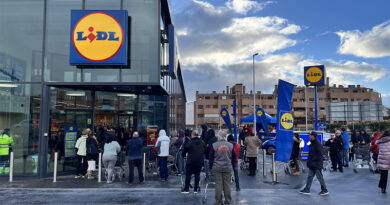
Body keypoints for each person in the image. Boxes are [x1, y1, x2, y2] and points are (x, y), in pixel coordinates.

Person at [209, 130, 237, 205]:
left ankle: (218, 201)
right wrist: (233, 165)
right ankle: (228, 201)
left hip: (217, 167)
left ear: (219, 136)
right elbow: (234, 157)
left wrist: (211, 166)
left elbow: (211, 157)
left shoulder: (214, 145)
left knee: (218, 185)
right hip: (227, 168)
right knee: (227, 185)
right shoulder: (230, 145)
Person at [300, 131, 329, 196]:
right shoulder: (312, 143)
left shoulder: (317, 144)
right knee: (309, 177)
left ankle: (324, 190)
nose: (309, 136)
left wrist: (313, 160)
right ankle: (307, 189)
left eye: (310, 135)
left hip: (316, 164)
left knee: (320, 178)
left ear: (313, 136)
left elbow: (320, 154)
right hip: (312, 164)